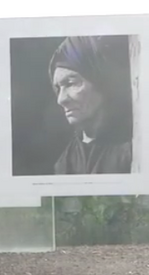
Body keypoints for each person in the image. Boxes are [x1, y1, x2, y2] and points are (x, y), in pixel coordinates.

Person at [48, 35, 133, 175]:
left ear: (101, 83)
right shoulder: (65, 162)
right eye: (58, 88)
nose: (61, 99)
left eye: (71, 83)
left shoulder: (132, 151)